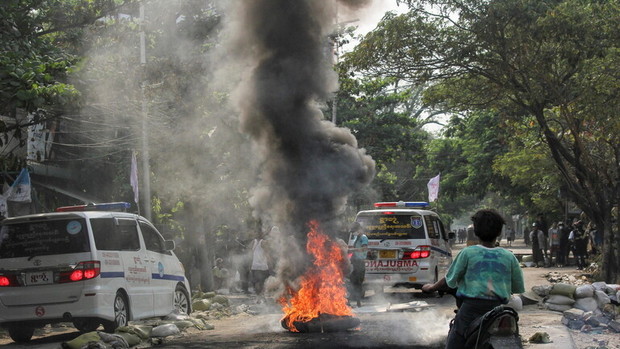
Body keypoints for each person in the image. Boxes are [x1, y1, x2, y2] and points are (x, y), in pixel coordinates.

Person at [422, 209, 525, 349]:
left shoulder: (467, 253)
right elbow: (518, 287)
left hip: (471, 309)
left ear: (475, 230)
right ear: (499, 232)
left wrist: (431, 287)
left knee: (455, 340)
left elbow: (449, 279)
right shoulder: (509, 256)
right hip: (499, 309)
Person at [348, 221, 368, 307]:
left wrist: (353, 250)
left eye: (354, 231)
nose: (354, 233)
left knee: (357, 283)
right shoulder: (357, 238)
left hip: (360, 263)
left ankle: (358, 302)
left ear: (359, 229)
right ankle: (352, 301)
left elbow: (364, 248)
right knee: (352, 281)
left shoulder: (363, 237)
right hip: (356, 263)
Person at [250, 229, 273, 298]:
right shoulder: (263, 242)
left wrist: (250, 264)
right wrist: (270, 262)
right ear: (262, 235)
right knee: (262, 282)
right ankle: (261, 297)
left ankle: (258, 297)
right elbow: (267, 253)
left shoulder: (253, 242)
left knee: (256, 282)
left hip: (254, 266)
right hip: (262, 266)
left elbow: (250, 254)